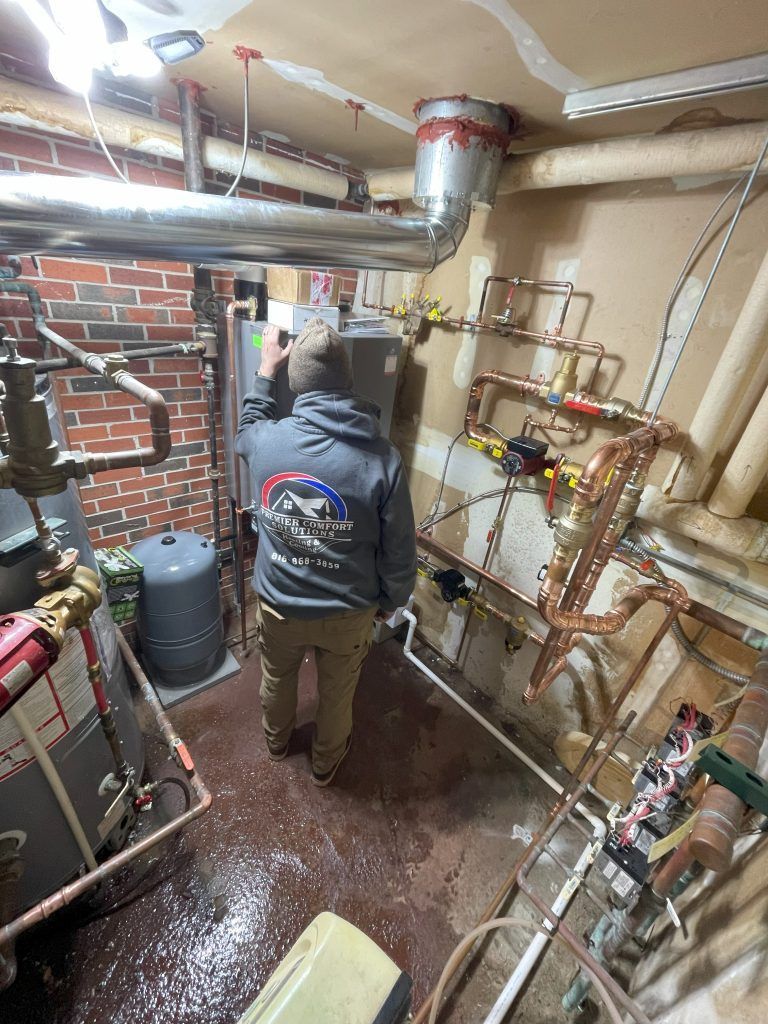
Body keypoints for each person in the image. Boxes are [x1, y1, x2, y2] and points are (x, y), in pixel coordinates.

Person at [236, 317, 417, 787]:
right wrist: (391, 600)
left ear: (297, 385)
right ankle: (324, 764)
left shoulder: (265, 442)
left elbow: (248, 423)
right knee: (337, 695)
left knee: (277, 678)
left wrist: (264, 369)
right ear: (348, 381)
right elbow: (400, 547)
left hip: (278, 604)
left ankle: (276, 743)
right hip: (348, 611)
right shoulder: (383, 457)